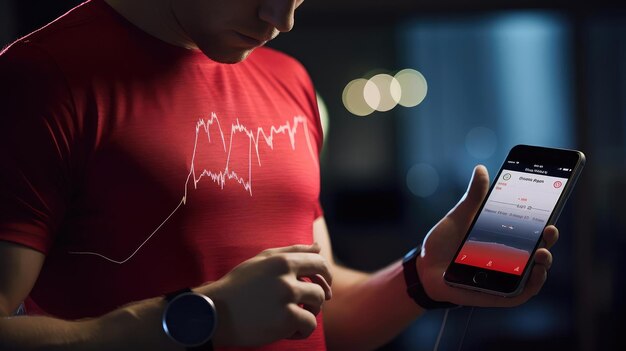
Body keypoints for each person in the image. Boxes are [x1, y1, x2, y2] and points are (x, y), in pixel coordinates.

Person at [0, 0, 559, 350]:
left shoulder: (294, 85)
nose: (281, 18)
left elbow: (319, 313)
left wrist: (421, 279)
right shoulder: (38, 80)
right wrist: (201, 319)